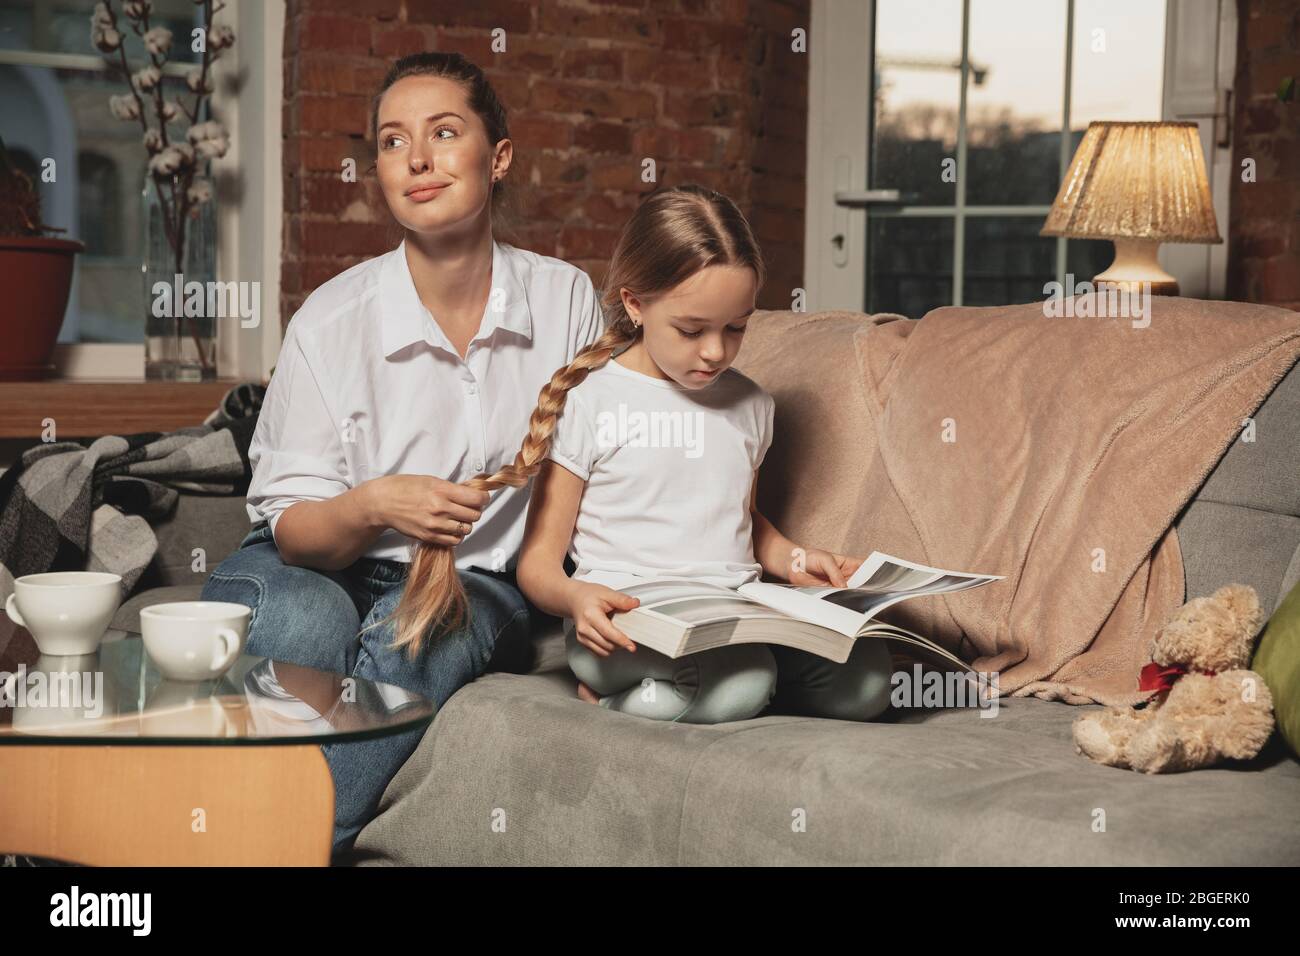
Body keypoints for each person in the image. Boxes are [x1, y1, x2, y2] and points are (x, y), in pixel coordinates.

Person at [200, 52, 602, 858]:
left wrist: (598, 636)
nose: (416, 159)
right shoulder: (331, 317)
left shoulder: (564, 302)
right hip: (311, 559)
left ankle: (243, 850)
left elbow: (599, 483)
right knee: (308, 619)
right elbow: (295, 532)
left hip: (472, 580)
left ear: (499, 157)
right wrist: (375, 503)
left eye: (444, 133)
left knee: (428, 633)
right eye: (392, 141)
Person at [396, 184, 895, 725]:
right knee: (740, 682)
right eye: (691, 329)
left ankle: (735, 687)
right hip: (625, 623)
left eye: (736, 328)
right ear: (635, 305)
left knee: (864, 680)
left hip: (734, 614)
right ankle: (615, 703)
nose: (715, 351)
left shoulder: (749, 403)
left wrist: (798, 560)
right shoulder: (591, 401)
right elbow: (539, 564)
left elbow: (741, 520)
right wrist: (576, 599)